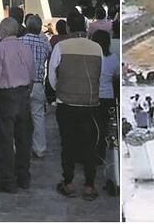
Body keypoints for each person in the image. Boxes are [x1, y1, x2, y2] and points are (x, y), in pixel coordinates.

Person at [50, 13, 103, 200]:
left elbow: (52, 77)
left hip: (67, 104)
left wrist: (62, 91)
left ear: (69, 29)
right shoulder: (97, 48)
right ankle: (89, 185)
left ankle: (69, 182)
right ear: (86, 28)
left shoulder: (60, 47)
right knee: (89, 145)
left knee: (68, 143)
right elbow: (100, 73)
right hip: (90, 104)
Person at [0, 17, 35, 193]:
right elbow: (32, 74)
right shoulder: (25, 48)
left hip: (5, 96)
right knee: (24, 139)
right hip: (23, 94)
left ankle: (7, 180)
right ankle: (23, 176)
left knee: (3, 140)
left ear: (5, 31)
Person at [21, 14, 53, 159]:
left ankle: (20, 148)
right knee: (38, 117)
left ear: (26, 26)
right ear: (40, 28)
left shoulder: (20, 42)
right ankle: (39, 148)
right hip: (38, 84)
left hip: (21, 84)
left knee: (20, 117)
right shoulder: (45, 44)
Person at [92, 29, 120, 195]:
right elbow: (116, 77)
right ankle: (102, 154)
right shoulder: (113, 59)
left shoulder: (93, 58)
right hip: (107, 97)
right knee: (104, 129)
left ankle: (93, 154)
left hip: (93, 96)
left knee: (93, 127)